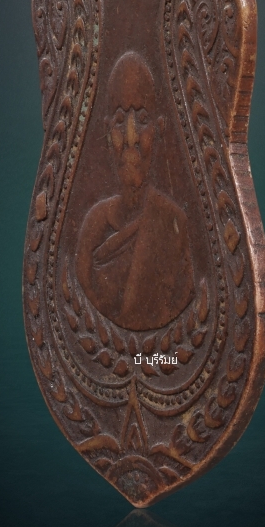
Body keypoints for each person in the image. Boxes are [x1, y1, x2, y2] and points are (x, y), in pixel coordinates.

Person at [76, 51, 195, 331]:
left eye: (142, 119)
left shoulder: (174, 223)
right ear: (106, 131)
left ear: (159, 128)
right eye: (120, 120)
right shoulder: (93, 226)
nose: (131, 137)